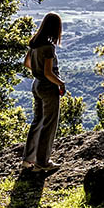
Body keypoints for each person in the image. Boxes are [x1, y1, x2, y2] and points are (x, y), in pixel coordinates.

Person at [23, 12, 66, 174]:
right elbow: (49, 73)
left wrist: (38, 71)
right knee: (49, 124)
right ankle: (42, 162)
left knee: (37, 121)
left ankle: (28, 160)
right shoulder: (48, 47)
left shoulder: (34, 43)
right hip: (48, 87)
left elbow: (27, 63)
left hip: (36, 84)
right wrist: (61, 83)